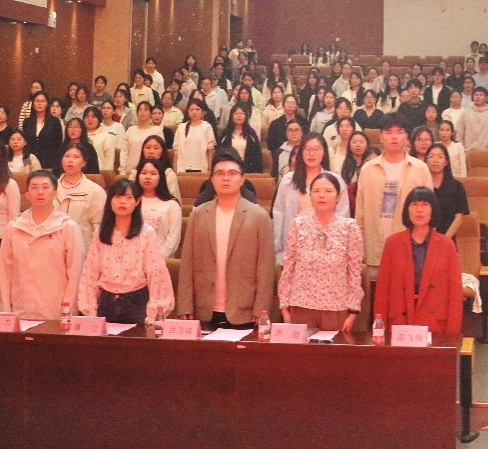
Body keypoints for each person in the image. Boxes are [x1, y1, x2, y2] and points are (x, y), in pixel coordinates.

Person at [178, 150, 275, 330]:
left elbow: (265, 268)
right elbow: (187, 264)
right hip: (204, 308)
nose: (226, 178)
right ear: (212, 179)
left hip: (245, 311)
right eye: (220, 173)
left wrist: (261, 309)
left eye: (232, 173)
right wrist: (185, 305)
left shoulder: (259, 216)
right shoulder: (198, 215)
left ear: (242, 179)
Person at [77, 178, 174, 324]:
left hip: (137, 303)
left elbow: (156, 273)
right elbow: (90, 273)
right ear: (110, 201)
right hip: (106, 302)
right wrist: (90, 309)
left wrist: (155, 311)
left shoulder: (146, 233)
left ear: (137, 201)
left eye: (128, 197)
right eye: (117, 197)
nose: (122, 202)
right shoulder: (100, 233)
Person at [277, 172, 364, 331]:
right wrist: (284, 307)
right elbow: (288, 268)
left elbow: (354, 272)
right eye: (316, 191)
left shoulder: (349, 228)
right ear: (310, 196)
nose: (322, 195)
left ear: (338, 196)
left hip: (336, 308)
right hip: (300, 306)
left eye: (328, 191)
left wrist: (353, 311)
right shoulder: (298, 225)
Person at [372, 187, 464, 334]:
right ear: (407, 210)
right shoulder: (393, 243)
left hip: (435, 325)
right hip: (399, 324)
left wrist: (452, 334)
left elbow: (455, 293)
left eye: (425, 205)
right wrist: (380, 328)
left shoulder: (446, 245)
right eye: (414, 204)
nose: (419, 210)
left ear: (433, 210)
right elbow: (383, 290)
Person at [0, 170, 85, 320]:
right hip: (21, 309)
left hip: (55, 311)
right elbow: (5, 273)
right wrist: (6, 312)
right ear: (27, 194)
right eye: (34, 187)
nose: (40, 192)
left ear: (55, 193)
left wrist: (68, 311)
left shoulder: (67, 227)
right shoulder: (13, 227)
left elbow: (75, 275)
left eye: (45, 187)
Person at [355, 115, 433, 277]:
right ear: (381, 137)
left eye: (399, 132)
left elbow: (429, 212)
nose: (394, 137)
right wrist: (359, 247)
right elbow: (360, 214)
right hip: (375, 244)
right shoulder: (367, 169)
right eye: (389, 132)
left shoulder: (420, 169)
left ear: (406, 136)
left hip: (411, 246)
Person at [272, 132, 347, 264]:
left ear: (324, 152)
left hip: (328, 247)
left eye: (316, 149)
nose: (311, 154)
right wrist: (279, 251)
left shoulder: (335, 180)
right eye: (307, 149)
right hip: (296, 245)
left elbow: (343, 215)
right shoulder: (288, 180)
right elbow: (279, 215)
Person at [54, 143, 108, 246]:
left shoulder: (95, 191)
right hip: (53, 247)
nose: (70, 160)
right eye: (67, 156)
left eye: (76, 157)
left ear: (84, 163)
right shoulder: (50, 187)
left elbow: (99, 227)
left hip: (82, 247)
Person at [136, 158, 182, 260]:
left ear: (161, 177)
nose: (148, 177)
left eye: (153, 173)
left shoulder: (172, 204)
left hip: (163, 260)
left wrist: (155, 258)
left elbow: (173, 239)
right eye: (144, 173)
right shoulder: (131, 202)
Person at [426, 143, 470, 239]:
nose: (435, 160)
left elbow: (459, 218)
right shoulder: (421, 185)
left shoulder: (456, 186)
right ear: (426, 161)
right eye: (431, 157)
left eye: (440, 157)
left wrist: (444, 240)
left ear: (446, 162)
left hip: (447, 239)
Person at [21, 91, 64, 172]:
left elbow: (58, 144)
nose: (39, 104)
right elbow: (25, 144)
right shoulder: (27, 121)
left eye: (42, 101)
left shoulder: (54, 121)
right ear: (33, 103)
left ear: (47, 104)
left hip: (49, 163)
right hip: (31, 163)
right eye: (37, 101)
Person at [174, 99, 217, 173]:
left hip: (201, 167)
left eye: (197, 109)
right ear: (188, 111)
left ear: (202, 111)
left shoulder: (207, 127)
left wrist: (210, 168)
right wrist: (175, 167)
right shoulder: (181, 128)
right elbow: (176, 150)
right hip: (183, 168)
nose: (194, 112)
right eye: (191, 109)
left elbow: (210, 150)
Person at [461, 87, 488, 152]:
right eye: (476, 95)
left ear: (486, 98)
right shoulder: (466, 112)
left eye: (481, 95)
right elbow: (460, 131)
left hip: (486, 151)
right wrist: (460, 148)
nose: (478, 97)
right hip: (468, 150)